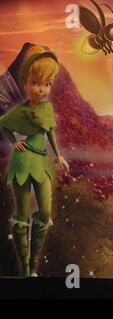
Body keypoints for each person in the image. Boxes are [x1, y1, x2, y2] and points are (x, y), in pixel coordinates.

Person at [0, 45, 69, 277]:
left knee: (45, 213)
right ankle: (26, 268)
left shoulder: (47, 108)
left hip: (41, 162)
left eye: (47, 84)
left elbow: (49, 132)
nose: (42, 90)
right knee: (21, 214)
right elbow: (4, 124)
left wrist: (58, 155)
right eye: (36, 83)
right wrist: (13, 142)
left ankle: (34, 262)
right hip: (21, 162)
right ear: (26, 83)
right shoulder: (18, 111)